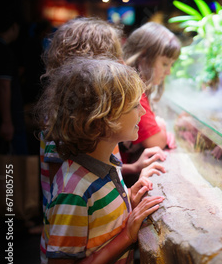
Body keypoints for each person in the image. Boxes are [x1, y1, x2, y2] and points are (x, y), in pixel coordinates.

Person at [37, 58, 165, 264]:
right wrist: (127, 236)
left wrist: (130, 200)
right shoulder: (74, 191)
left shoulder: (109, 162)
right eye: (135, 106)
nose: (142, 113)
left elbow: (101, 224)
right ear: (102, 120)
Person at [40, 17, 167, 211]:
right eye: (115, 60)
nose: (123, 64)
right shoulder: (64, 125)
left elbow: (95, 167)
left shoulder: (94, 121)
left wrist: (133, 168)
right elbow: (62, 197)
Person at [121, 22, 181, 163]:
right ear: (143, 56)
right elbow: (155, 142)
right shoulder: (132, 88)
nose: (168, 72)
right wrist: (160, 127)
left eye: (171, 65)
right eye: (165, 63)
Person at [0, 9, 27, 154]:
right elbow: (3, 86)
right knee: (13, 165)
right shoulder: (4, 52)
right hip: (10, 119)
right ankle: (12, 178)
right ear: (14, 27)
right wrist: (7, 122)